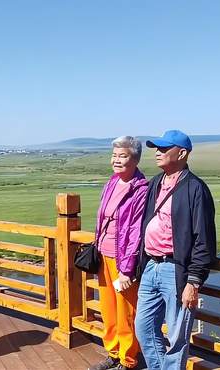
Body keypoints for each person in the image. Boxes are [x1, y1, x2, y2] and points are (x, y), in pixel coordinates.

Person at [134, 130, 217, 369]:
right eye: (156, 149)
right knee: (144, 328)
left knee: (176, 338)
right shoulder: (156, 183)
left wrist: (193, 281)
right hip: (151, 266)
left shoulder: (195, 189)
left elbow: (204, 239)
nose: (157, 153)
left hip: (176, 271)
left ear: (181, 153)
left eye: (163, 149)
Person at [88, 136, 148, 370]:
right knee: (109, 308)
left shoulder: (140, 189)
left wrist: (127, 269)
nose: (116, 160)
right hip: (104, 254)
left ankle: (128, 360)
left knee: (126, 312)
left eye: (122, 156)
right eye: (114, 155)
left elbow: (135, 232)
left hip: (123, 260)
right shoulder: (112, 182)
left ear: (134, 159)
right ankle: (113, 353)